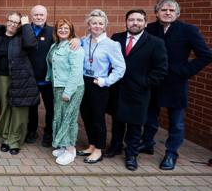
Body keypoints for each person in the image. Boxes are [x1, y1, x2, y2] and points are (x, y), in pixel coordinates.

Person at [138, 0, 212, 170]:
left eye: (171, 10)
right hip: (153, 82)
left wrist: (184, 71)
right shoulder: (149, 29)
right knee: (150, 117)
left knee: (176, 122)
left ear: (177, 14)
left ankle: (171, 153)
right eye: (164, 10)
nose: (167, 12)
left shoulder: (188, 30)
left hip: (175, 83)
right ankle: (147, 143)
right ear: (156, 13)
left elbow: (205, 55)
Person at [106, 9, 168, 171]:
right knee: (117, 121)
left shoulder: (155, 42)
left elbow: (160, 69)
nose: (135, 23)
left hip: (139, 91)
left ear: (145, 23)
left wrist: (144, 83)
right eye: (131, 20)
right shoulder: (116, 39)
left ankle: (131, 154)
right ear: (126, 22)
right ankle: (115, 146)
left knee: (134, 125)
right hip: (118, 89)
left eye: (139, 20)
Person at [78, 9, 126, 164]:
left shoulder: (112, 44)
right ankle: (91, 145)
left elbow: (120, 68)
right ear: (89, 25)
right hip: (84, 82)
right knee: (86, 116)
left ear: (105, 25)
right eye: (94, 23)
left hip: (98, 84)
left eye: (100, 23)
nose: (97, 26)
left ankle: (99, 150)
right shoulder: (84, 41)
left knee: (98, 118)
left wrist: (105, 81)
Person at [0, 12, 39, 155]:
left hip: (20, 78)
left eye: (16, 22)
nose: (13, 24)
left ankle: (15, 141)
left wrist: (26, 25)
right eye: (11, 21)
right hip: (1, 77)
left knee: (19, 111)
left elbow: (32, 43)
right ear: (6, 21)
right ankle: (5, 138)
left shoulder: (22, 37)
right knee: (5, 108)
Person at [45, 19, 84, 165]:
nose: (62, 30)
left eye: (66, 28)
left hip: (71, 88)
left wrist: (68, 92)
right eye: (60, 28)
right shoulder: (56, 45)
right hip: (58, 86)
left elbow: (76, 72)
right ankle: (63, 144)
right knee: (60, 116)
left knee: (69, 118)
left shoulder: (74, 47)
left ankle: (71, 150)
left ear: (71, 30)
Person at [26, 5, 55, 146]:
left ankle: (48, 133)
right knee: (31, 107)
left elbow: (68, 40)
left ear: (46, 16)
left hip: (47, 79)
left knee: (51, 108)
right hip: (30, 78)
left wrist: (76, 40)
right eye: (36, 14)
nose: (39, 17)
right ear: (31, 16)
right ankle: (31, 131)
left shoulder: (53, 31)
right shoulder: (25, 30)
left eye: (41, 15)